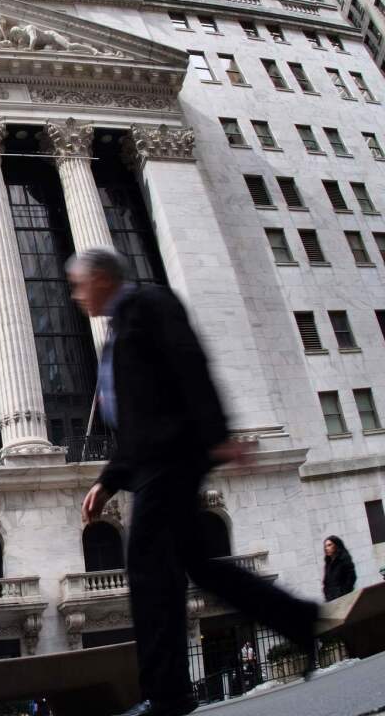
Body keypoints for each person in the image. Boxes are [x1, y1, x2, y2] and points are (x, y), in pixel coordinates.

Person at [69, 247, 319, 716]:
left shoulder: (151, 304)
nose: (76, 296)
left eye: (79, 285)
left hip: (173, 457)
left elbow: (191, 364)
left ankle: (166, 696)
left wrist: (219, 435)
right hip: (151, 463)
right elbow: (133, 420)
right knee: (198, 566)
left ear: (102, 279)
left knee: (148, 570)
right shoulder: (116, 334)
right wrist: (109, 480)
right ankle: (297, 618)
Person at [321, 535, 356, 601]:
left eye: (329, 545)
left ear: (336, 545)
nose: (326, 548)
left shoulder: (344, 560)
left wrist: (343, 594)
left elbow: (351, 579)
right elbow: (326, 582)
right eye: (325, 546)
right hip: (331, 600)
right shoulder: (328, 564)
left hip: (344, 599)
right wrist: (327, 596)